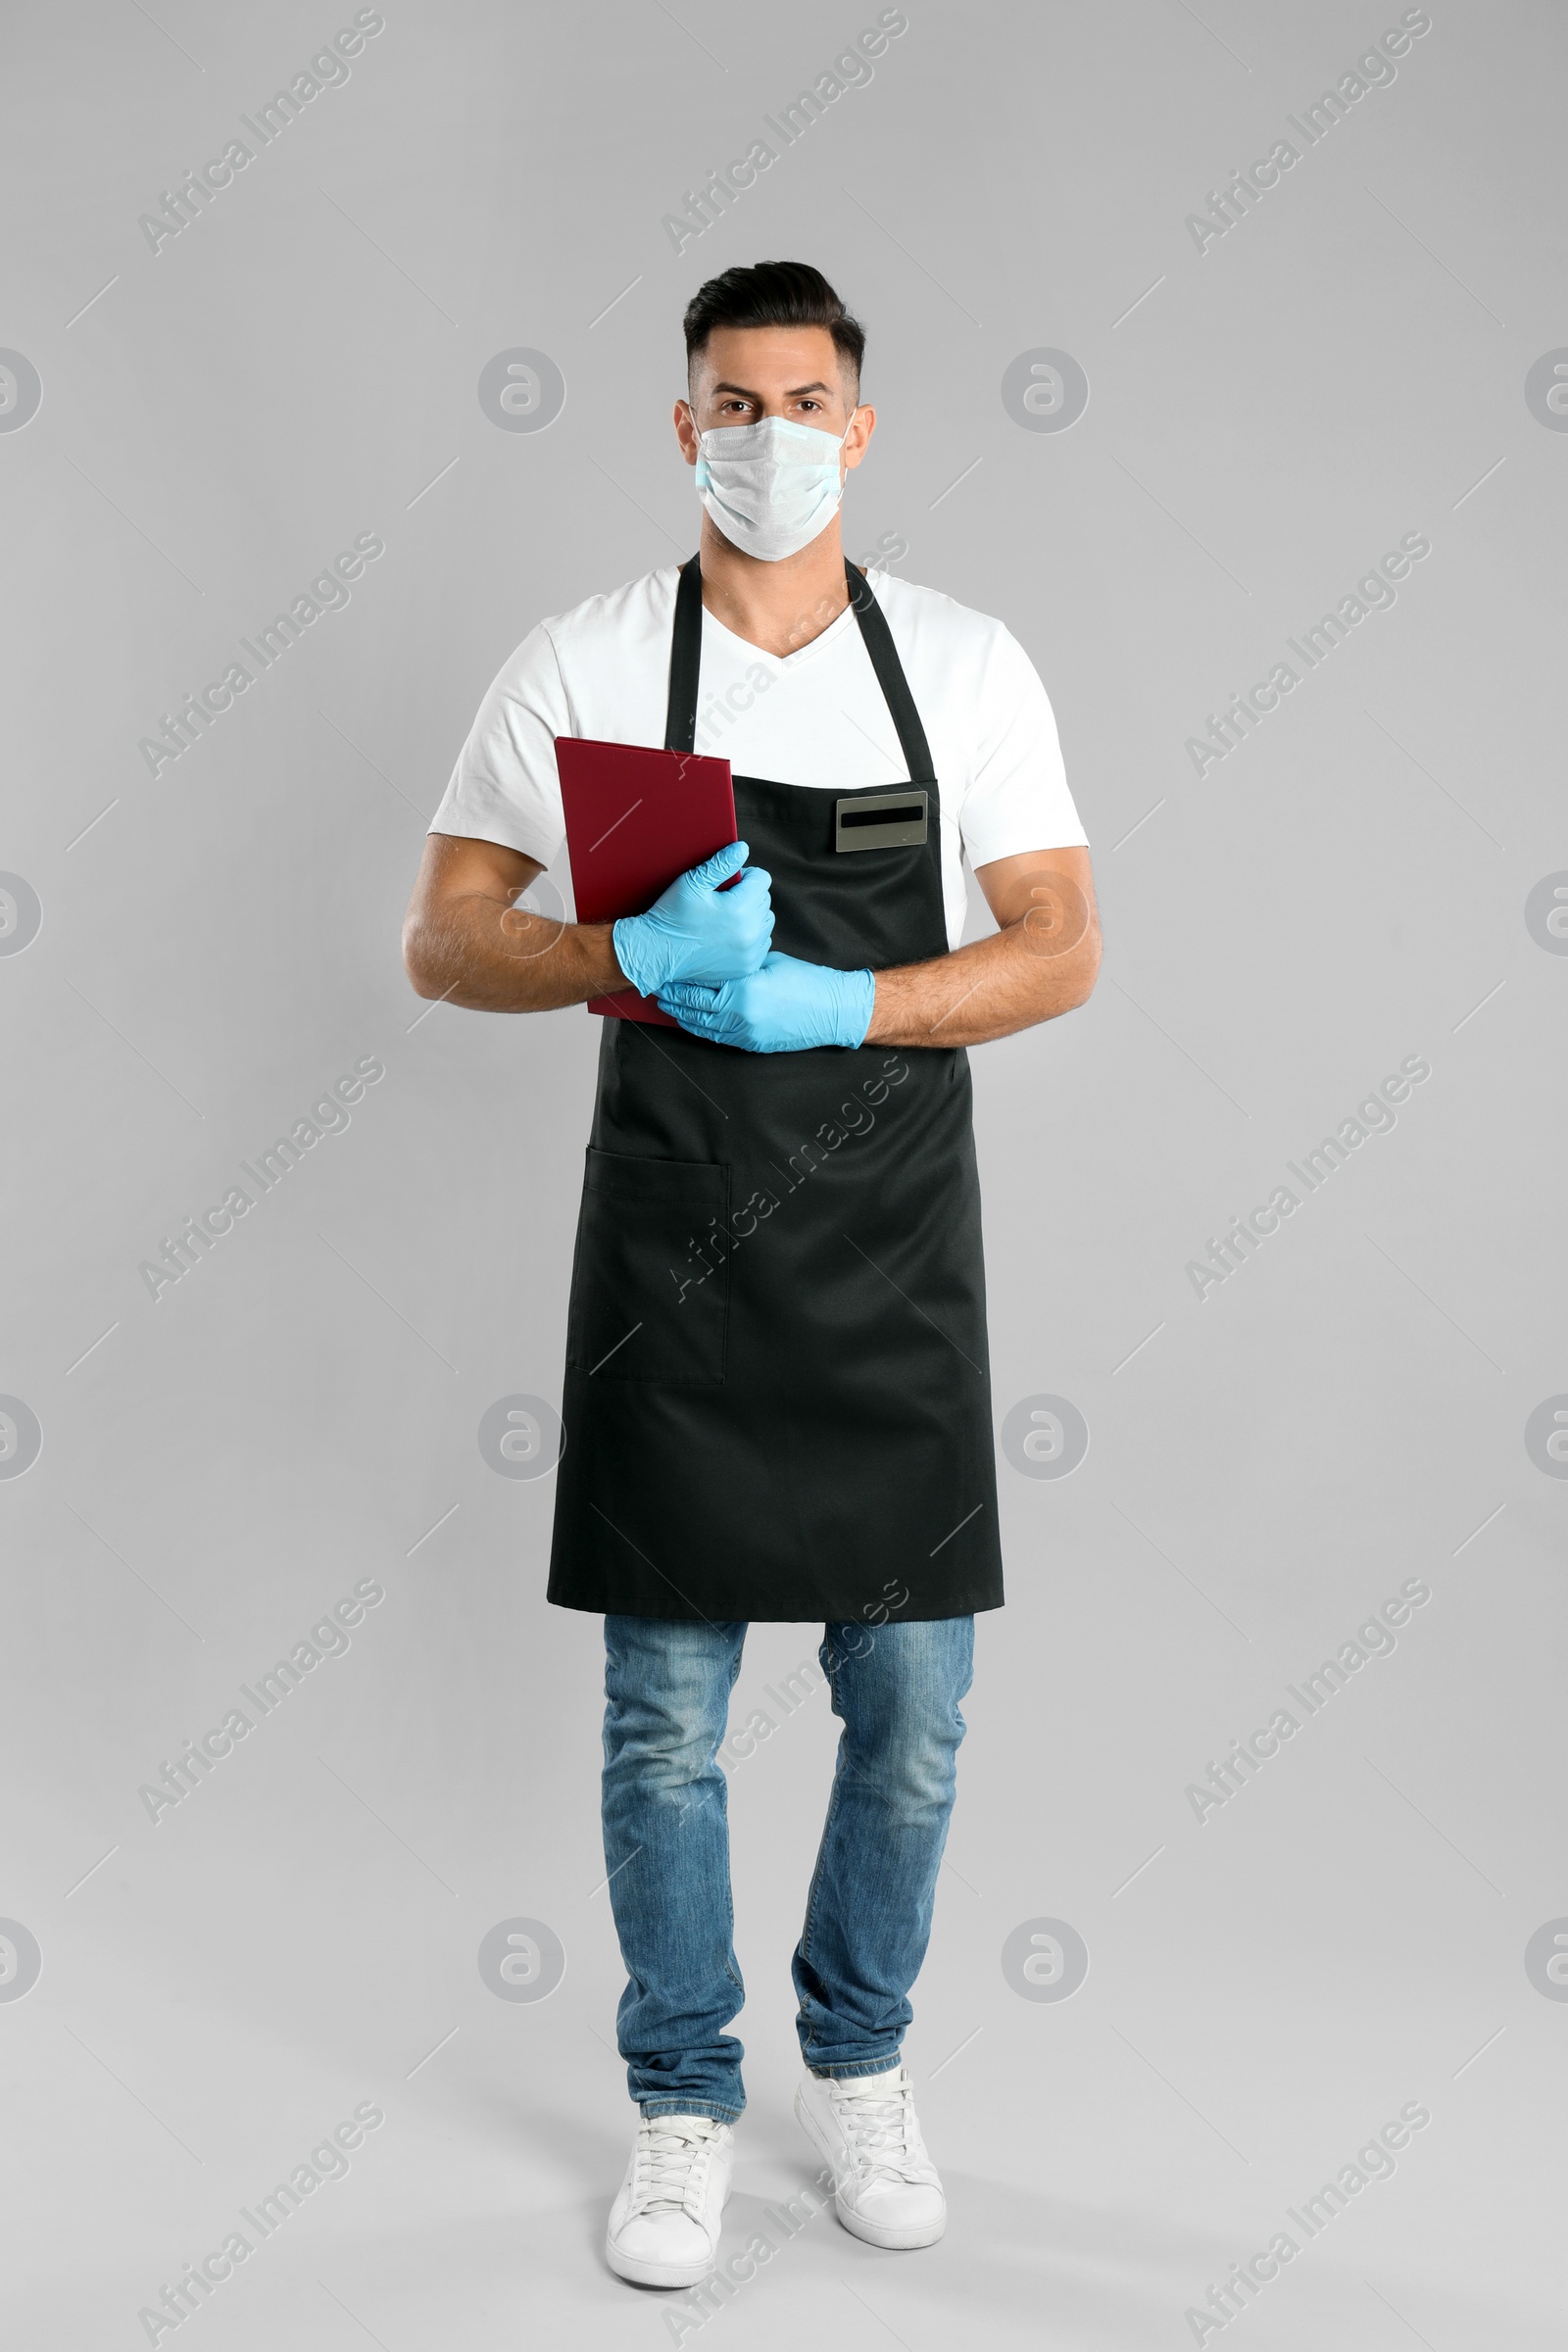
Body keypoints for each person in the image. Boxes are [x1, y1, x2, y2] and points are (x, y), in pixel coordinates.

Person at [402, 259, 1101, 2289]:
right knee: (663, 1726)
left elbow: (1056, 945)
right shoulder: (589, 660)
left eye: (803, 404)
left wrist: (842, 999)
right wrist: (626, 962)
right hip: (670, 1269)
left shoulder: (961, 665)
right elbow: (445, 938)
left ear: (858, 428)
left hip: (891, 1271)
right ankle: (681, 2106)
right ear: (679, 423)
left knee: (912, 1712)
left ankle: (861, 2063)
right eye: (730, 402)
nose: (767, 438)